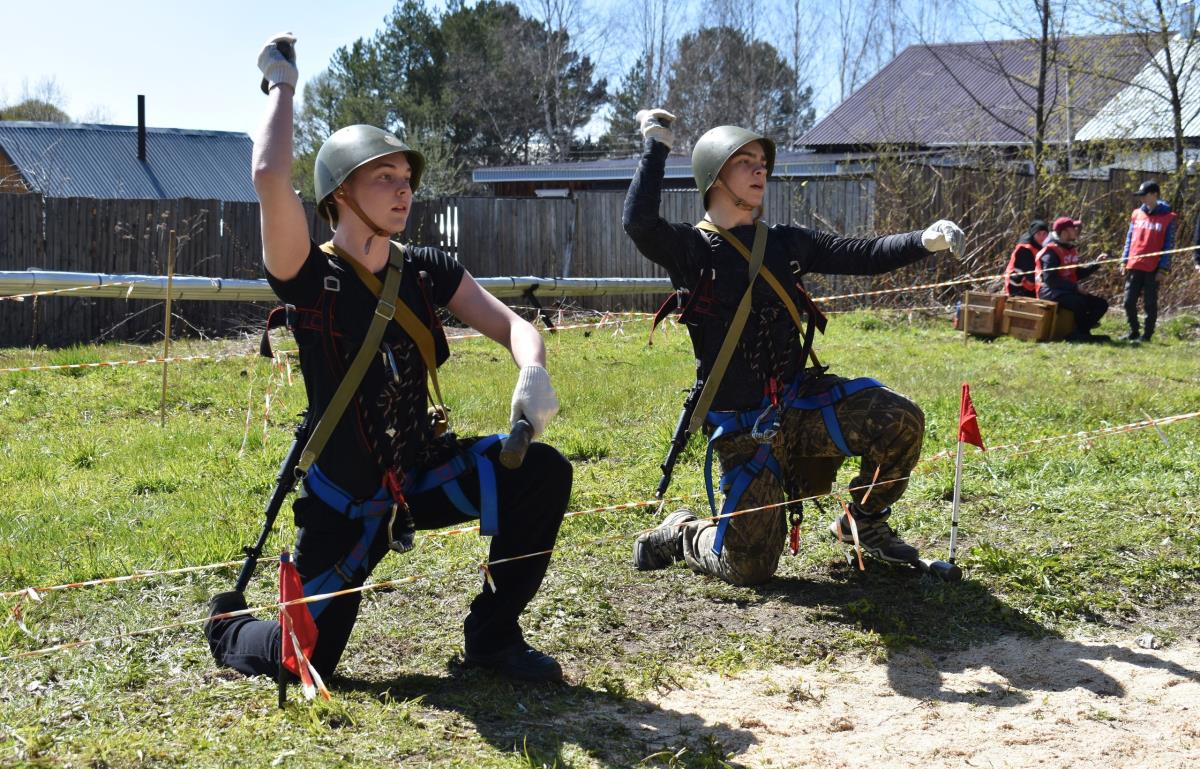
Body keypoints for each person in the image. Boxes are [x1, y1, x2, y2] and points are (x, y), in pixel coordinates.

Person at [204, 33, 572, 684]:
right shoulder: (311, 278)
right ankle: (231, 628)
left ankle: (492, 636)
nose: (403, 191)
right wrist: (281, 81)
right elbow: (268, 174)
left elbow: (515, 327)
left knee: (540, 471)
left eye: (405, 179)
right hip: (348, 503)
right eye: (384, 178)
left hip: (424, 477)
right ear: (338, 193)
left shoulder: (426, 269)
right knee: (305, 661)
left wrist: (532, 370)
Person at [623, 108, 964, 586]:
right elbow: (639, 223)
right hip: (744, 426)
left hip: (800, 406)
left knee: (899, 418)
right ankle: (682, 533)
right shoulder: (692, 250)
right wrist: (655, 145)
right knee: (750, 569)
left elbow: (860, 255)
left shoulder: (785, 243)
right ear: (714, 174)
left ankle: (861, 524)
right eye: (745, 161)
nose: (761, 169)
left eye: (763, 161)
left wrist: (922, 241)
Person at [1036, 217, 1110, 342]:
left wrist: (1096, 264)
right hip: (1049, 291)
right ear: (1064, 232)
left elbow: (1076, 273)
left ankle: (1080, 332)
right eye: (1073, 228)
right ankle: (1081, 334)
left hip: (1064, 290)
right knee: (1078, 303)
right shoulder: (1051, 252)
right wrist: (1075, 287)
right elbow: (1050, 280)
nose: (1076, 231)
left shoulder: (1068, 248)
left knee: (1101, 304)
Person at [1120, 181, 1176, 343]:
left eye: (1144, 195)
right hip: (1135, 264)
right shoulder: (1137, 214)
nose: (1142, 199)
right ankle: (1133, 330)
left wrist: (1163, 268)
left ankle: (1147, 335)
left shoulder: (1167, 218)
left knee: (1150, 303)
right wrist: (1124, 260)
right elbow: (1129, 239)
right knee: (1128, 301)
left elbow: (1169, 245)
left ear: (1154, 195)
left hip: (1154, 267)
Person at [1005, 220, 1049, 298]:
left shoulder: (1046, 246)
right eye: (1039, 234)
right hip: (1017, 287)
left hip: (1033, 285)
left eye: (1044, 234)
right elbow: (1031, 275)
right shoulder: (1024, 249)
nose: (1042, 237)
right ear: (1033, 235)